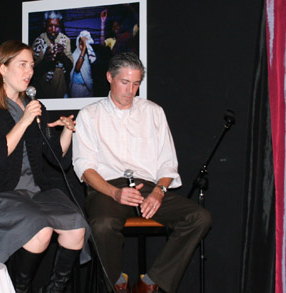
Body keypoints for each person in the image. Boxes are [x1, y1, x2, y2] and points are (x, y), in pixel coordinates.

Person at [72, 52, 212, 293]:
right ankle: (117, 283)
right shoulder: (89, 114)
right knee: (103, 224)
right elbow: (84, 167)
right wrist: (115, 193)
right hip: (107, 188)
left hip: (148, 187)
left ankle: (150, 283)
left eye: (136, 84)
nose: (130, 90)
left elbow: (168, 163)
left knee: (200, 218)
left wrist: (158, 192)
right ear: (109, 77)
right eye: (124, 82)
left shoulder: (153, 112)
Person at [0, 40, 90, 293]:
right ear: (2, 68)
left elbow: (54, 156)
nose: (29, 72)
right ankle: (20, 289)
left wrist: (67, 131)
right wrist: (24, 121)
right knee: (40, 231)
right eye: (22, 65)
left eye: (32, 66)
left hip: (35, 192)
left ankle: (52, 290)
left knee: (77, 225)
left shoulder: (36, 108)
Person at [31, 11, 73, 99]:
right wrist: (45, 61)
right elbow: (33, 72)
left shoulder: (65, 40)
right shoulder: (38, 41)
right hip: (43, 92)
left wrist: (62, 55)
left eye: (56, 26)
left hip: (61, 91)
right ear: (45, 25)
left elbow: (70, 67)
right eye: (50, 26)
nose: (53, 30)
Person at [69, 30, 96, 98]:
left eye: (84, 45)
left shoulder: (90, 56)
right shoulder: (75, 55)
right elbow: (77, 69)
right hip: (77, 88)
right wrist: (83, 49)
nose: (83, 46)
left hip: (88, 87)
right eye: (81, 44)